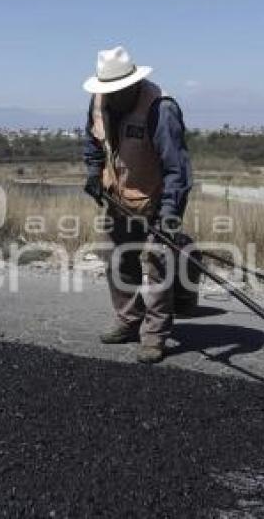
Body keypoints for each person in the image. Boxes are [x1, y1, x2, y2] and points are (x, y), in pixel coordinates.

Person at [81, 46, 192, 364]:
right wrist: (93, 172)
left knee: (156, 267)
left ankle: (155, 336)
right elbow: (92, 140)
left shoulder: (161, 109)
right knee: (119, 262)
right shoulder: (99, 101)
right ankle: (128, 321)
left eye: (118, 91)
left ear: (133, 84)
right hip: (118, 198)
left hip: (155, 200)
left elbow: (177, 169)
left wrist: (169, 214)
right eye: (108, 92)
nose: (111, 97)